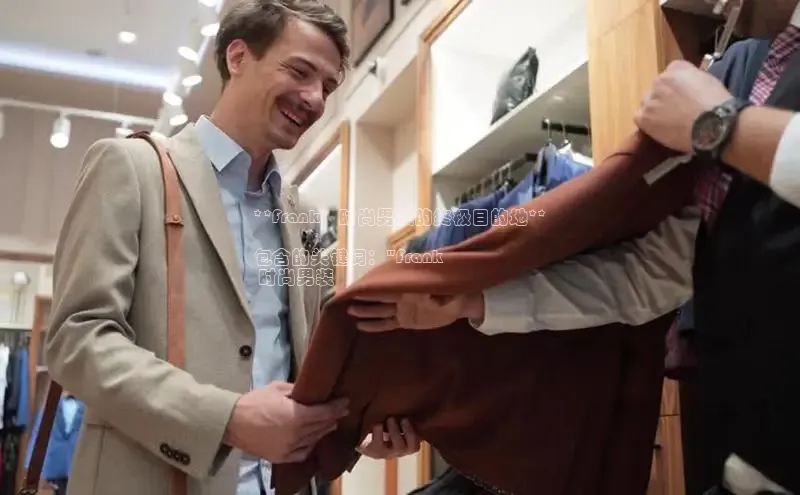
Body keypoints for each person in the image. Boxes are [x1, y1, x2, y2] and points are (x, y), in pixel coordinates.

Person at [349, 1, 800, 494]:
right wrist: (474, 301)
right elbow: (652, 275)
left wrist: (716, 123)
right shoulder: (746, 67)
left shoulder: (722, 93)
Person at [46, 2, 418, 495]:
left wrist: (356, 425)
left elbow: (307, 352)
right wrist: (227, 418)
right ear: (238, 57)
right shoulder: (131, 168)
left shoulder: (301, 215)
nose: (314, 98)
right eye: (300, 71)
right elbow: (77, 338)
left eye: (328, 87)